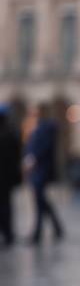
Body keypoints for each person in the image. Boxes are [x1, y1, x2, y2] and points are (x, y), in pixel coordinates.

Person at [23, 103, 64, 244]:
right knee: (41, 201)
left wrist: (32, 159)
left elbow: (42, 149)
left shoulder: (45, 129)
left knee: (39, 201)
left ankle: (38, 234)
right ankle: (55, 228)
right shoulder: (36, 128)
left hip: (41, 170)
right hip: (38, 170)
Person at [0, 104, 21, 247]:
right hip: (8, 178)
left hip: (4, 177)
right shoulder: (12, 133)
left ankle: (6, 232)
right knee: (7, 205)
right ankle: (8, 233)